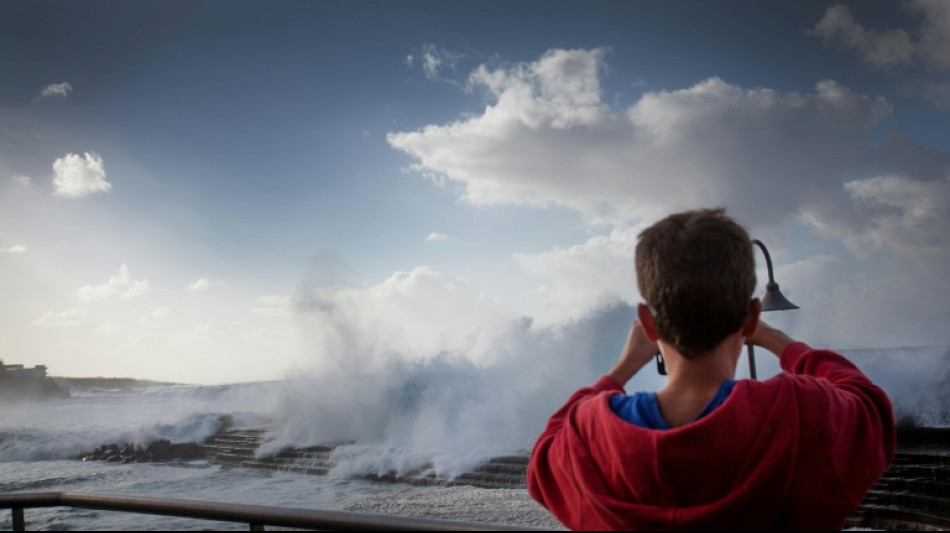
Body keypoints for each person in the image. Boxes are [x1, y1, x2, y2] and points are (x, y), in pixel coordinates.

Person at [527, 208, 895, 530]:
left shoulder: (590, 434)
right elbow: (869, 405)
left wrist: (622, 369)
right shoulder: (800, 411)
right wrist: (778, 340)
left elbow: (544, 458)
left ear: (648, 324)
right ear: (751, 318)